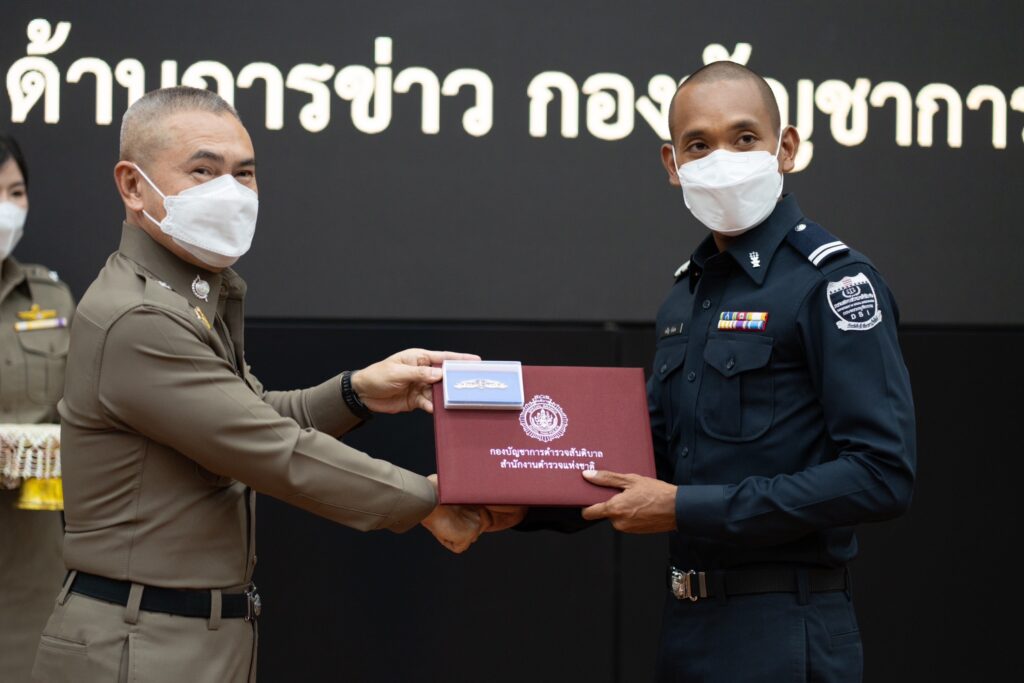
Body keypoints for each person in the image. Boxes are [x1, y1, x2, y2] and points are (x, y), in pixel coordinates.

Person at [31, 86, 486, 683]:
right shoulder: (138, 317)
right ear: (133, 185)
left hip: (192, 635)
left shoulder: (189, 297)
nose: (231, 192)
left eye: (244, 173)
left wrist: (356, 393)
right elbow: (269, 449)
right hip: (138, 646)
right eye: (203, 171)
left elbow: (249, 417)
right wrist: (425, 501)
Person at [523, 62, 916, 682]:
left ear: (786, 148)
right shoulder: (685, 297)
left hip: (786, 627)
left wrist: (686, 508)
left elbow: (881, 474)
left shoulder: (833, 283)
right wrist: (511, 502)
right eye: (699, 145)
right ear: (672, 163)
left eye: (744, 137)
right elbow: (639, 461)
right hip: (688, 627)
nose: (722, 159)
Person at [0, 133, 76, 682]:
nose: (6, 208)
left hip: (29, 568)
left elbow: (82, 415)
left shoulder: (51, 298)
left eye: (15, 192)